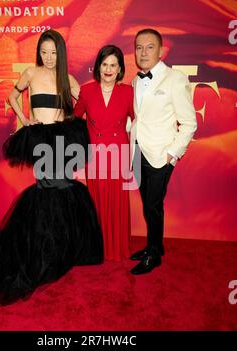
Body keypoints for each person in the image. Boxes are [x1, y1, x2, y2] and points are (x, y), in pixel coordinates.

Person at [0, 29, 104, 309]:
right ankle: (47, 249)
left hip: (64, 138)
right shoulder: (30, 73)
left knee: (63, 187)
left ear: (60, 53)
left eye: (54, 53)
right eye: (44, 52)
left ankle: (60, 247)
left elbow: (87, 102)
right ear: (38, 52)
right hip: (40, 138)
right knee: (49, 187)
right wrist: (24, 119)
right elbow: (13, 97)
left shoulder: (69, 79)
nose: (49, 57)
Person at [129, 28, 197, 275]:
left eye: (149, 47)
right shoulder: (136, 80)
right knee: (150, 205)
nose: (143, 52)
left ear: (160, 50)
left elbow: (189, 123)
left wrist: (172, 153)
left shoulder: (175, 79)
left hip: (160, 154)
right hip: (136, 151)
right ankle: (153, 246)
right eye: (139, 47)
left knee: (153, 206)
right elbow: (137, 118)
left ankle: (154, 255)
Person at [74, 45, 134, 262]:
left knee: (117, 200)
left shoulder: (128, 92)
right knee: (97, 199)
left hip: (118, 153)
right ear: (98, 66)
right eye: (104, 64)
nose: (108, 69)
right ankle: (98, 247)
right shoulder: (87, 90)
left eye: (113, 65)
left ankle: (117, 247)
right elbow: (75, 119)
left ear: (119, 69)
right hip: (95, 153)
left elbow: (138, 121)